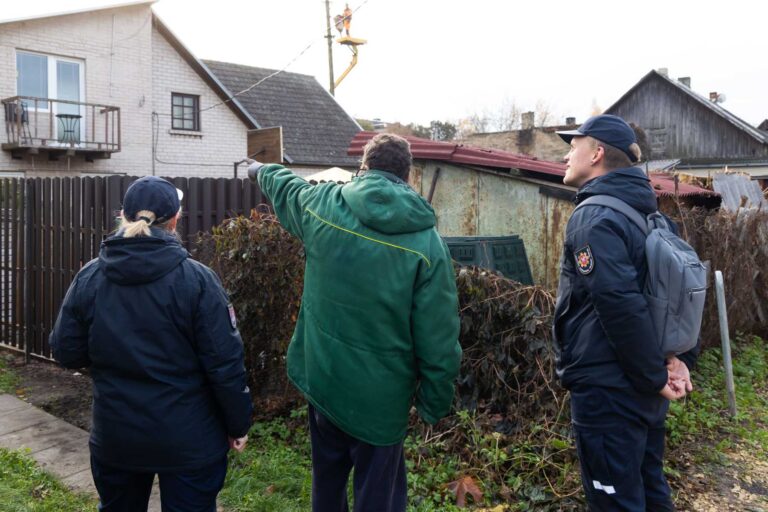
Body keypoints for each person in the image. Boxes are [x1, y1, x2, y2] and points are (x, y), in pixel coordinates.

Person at [247, 133, 462, 512]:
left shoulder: (322, 206)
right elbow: (439, 338)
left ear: (364, 167)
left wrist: (259, 169)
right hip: (381, 402)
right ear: (407, 176)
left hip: (324, 381)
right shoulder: (428, 245)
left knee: (327, 486)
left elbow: (286, 186)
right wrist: (433, 403)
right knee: (378, 497)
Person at [50, 176, 253, 512]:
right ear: (175, 219)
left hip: (117, 435)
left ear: (123, 215)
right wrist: (237, 424)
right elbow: (225, 363)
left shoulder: (91, 276)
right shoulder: (198, 280)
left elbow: (66, 351)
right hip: (189, 439)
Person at [553, 114, 699, 511]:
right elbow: (679, 295)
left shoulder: (594, 217)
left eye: (573, 148)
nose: (566, 157)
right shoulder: (651, 215)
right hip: (643, 387)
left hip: (609, 389)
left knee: (615, 500)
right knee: (651, 492)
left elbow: (619, 305)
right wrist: (678, 360)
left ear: (597, 153)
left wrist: (656, 375)